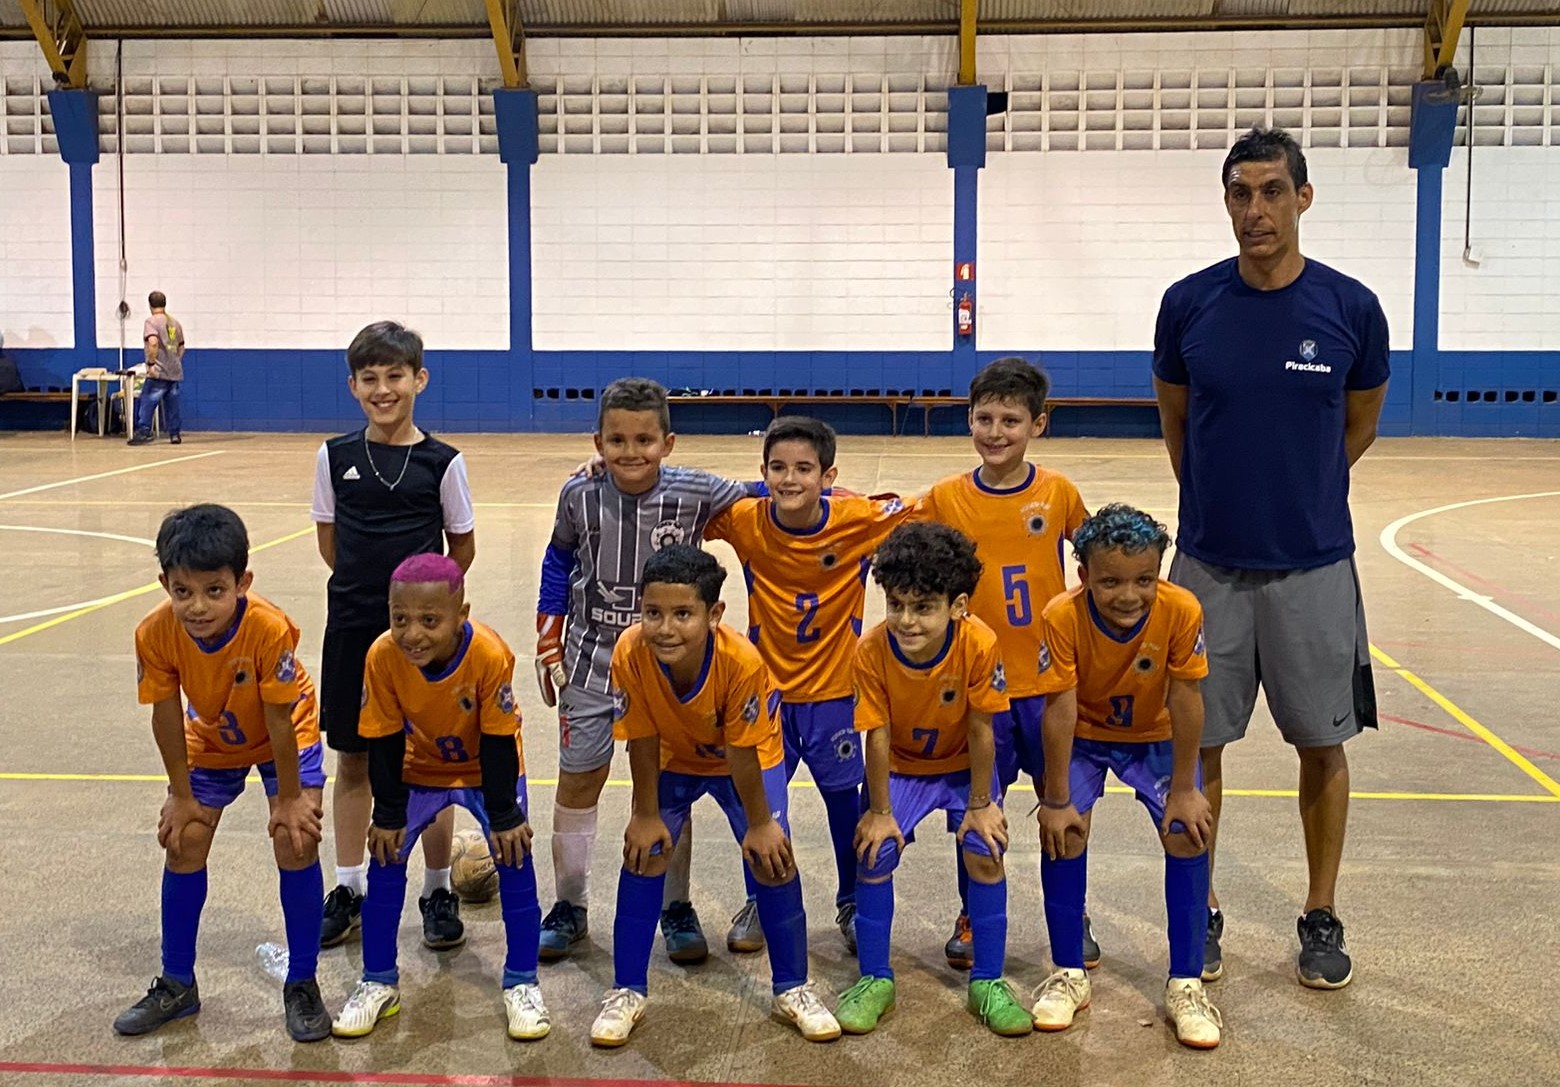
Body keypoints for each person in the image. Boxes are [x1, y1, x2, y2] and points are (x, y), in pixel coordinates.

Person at [1153, 126, 1387, 990]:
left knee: (1321, 746)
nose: (1257, 210)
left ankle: (1320, 914)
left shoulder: (1350, 308)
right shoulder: (1188, 305)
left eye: (1273, 191)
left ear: (1303, 198)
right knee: (1199, 749)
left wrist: (1305, 492)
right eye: (1241, 192)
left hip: (1316, 567)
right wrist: (1222, 502)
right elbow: (1177, 422)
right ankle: (1199, 910)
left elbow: (1357, 423)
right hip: (1209, 568)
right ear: (1226, 201)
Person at [534, 377, 753, 964]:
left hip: (667, 667)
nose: (631, 453)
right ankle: (570, 906)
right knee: (580, 779)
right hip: (592, 660)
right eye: (617, 440)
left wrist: (830, 493)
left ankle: (674, 906)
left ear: (669, 442)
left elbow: (771, 491)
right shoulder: (577, 494)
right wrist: (547, 636)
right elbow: (558, 559)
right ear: (597, 440)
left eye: (644, 440)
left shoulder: (696, 492)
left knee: (668, 786)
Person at [589, 545, 839, 1047]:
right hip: (672, 757)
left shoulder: (741, 661)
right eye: (653, 613)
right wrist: (644, 813)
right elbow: (639, 736)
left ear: (715, 614)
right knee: (645, 852)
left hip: (741, 763)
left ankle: (793, 987)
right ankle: (626, 991)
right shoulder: (629, 653)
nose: (665, 628)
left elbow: (742, 754)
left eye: (683, 614)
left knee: (774, 858)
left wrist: (761, 824)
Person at [115, 504, 329, 1042]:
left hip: (285, 729)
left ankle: (302, 982)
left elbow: (279, 718)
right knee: (183, 840)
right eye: (183, 591)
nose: (198, 605)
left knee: (295, 837)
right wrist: (181, 796)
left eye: (214, 590)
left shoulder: (267, 627)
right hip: (215, 731)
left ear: (242, 582)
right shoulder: (154, 633)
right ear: (165, 582)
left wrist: (287, 799)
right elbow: (165, 715)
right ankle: (177, 984)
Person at [703, 415, 916, 953]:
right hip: (766, 697)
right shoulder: (745, 519)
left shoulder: (857, 519)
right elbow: (681, 501)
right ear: (762, 472)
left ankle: (849, 899)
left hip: (835, 696)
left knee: (845, 804)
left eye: (804, 469)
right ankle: (763, 898)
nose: (789, 479)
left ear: (829, 474)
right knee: (762, 808)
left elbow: (930, 507)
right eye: (777, 468)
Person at [916, 356, 1095, 970]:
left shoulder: (1059, 493)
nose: (995, 432)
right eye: (984, 418)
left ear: (1038, 425)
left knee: (1062, 802)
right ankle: (973, 910)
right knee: (978, 809)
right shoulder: (944, 497)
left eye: (1010, 420)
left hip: (1046, 687)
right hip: (976, 691)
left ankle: (1075, 911)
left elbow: (1099, 558)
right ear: (969, 420)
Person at [331, 555, 547, 1041]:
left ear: (461, 614)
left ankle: (522, 983)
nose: (413, 634)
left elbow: (496, 741)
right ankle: (378, 980)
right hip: (418, 768)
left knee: (514, 856)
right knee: (385, 858)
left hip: (483, 769)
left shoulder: (490, 655)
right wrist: (387, 813)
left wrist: (504, 813)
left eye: (430, 621)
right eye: (400, 619)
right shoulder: (382, 656)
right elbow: (383, 740)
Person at [1030, 504, 1221, 1048]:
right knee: (1063, 833)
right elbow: (1060, 709)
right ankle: (1069, 972)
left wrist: (1185, 789)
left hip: (1154, 738)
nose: (1128, 595)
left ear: (1159, 574)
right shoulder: (1061, 616)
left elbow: (1187, 699)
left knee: (1187, 833)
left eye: (1143, 580)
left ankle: (1185, 983)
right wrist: (1057, 798)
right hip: (1086, 737)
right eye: (1110, 581)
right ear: (1083, 575)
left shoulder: (1182, 610)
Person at [311, 321, 475, 953]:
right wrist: (369, 597)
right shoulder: (333, 457)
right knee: (352, 756)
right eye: (370, 379)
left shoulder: (443, 462)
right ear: (354, 386)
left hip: (424, 641)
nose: (384, 390)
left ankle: (437, 888)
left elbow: (460, 549)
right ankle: (349, 886)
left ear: (419, 379)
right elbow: (331, 542)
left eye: (395, 376)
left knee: (427, 762)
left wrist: (423, 616)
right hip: (354, 624)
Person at [835, 522, 1032, 1038]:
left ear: (958, 605)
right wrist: (879, 813)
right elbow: (875, 737)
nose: (906, 620)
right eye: (896, 604)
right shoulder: (871, 650)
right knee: (874, 853)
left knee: (984, 848)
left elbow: (981, 727)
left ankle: (988, 981)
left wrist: (982, 802)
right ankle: (875, 978)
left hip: (963, 766)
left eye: (923, 607)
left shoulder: (978, 642)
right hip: (902, 766)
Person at [128, 290, 185, 446]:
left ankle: (144, 431)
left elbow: (153, 343)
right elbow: (181, 346)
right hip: (174, 370)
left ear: (150, 305)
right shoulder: (175, 323)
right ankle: (174, 434)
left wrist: (152, 364)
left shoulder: (151, 322)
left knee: (148, 400)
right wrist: (174, 361)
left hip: (158, 371)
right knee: (172, 404)